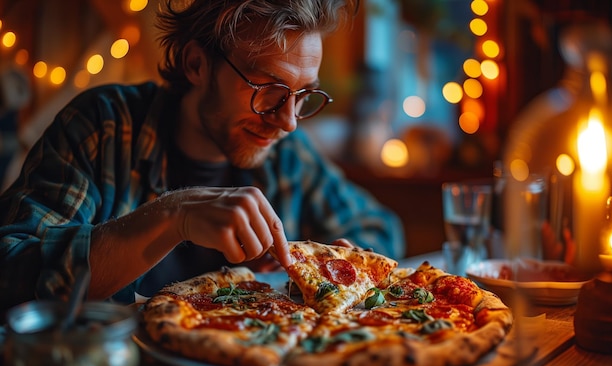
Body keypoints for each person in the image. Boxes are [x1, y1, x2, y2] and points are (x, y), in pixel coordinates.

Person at [0, 0, 404, 314]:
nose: (288, 121)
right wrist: (172, 216)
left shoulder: (286, 153)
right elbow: (10, 270)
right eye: (267, 88)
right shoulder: (104, 124)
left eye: (302, 95)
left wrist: (335, 265)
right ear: (196, 64)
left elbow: (379, 228)